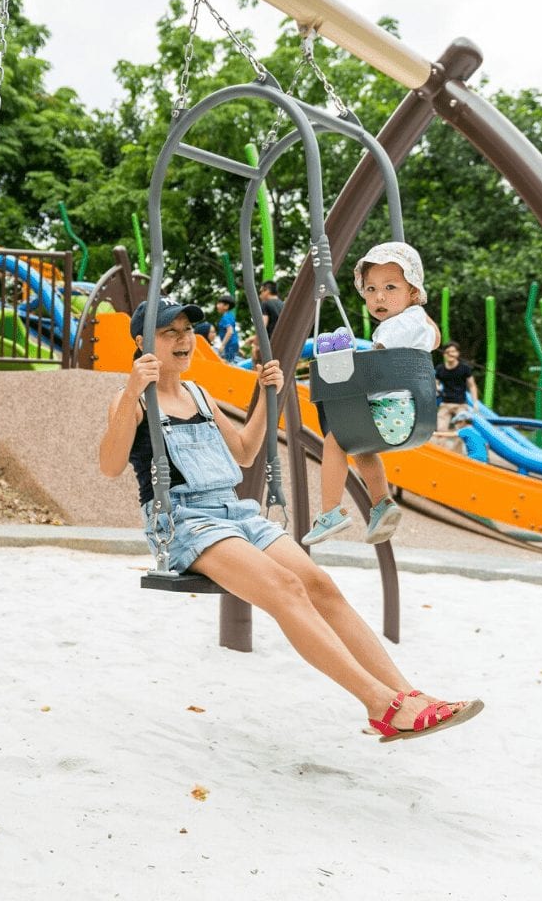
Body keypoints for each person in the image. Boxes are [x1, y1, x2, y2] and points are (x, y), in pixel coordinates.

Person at [98, 295, 481, 741]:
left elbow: (243, 452)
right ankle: (381, 706)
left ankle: (407, 694)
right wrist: (130, 392)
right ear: (144, 343)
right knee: (287, 588)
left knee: (321, 586)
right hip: (187, 522)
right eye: (171, 333)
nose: (185, 340)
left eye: (187, 330)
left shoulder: (198, 394)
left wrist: (267, 397)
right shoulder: (134, 401)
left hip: (235, 511)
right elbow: (109, 465)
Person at [302, 242, 440, 546]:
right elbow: (437, 337)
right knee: (362, 446)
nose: (379, 297)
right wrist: (419, 307)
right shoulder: (417, 323)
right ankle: (381, 504)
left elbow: (375, 364)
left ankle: (330, 512)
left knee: (337, 439)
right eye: (371, 289)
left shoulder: (391, 329)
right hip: (413, 415)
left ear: (412, 292)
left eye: (390, 287)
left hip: (390, 412)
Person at [434, 340, 479, 453]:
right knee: (440, 430)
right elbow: (435, 382)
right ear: (444, 354)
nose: (450, 354)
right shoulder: (440, 369)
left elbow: (472, 386)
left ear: (457, 354)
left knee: (461, 432)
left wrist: (475, 403)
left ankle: (456, 456)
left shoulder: (464, 369)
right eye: (448, 351)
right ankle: (441, 454)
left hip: (461, 405)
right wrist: (437, 387)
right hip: (445, 404)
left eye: (453, 351)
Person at [251, 280, 283, 363]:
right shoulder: (283, 304)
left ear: (267, 291)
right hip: (284, 343)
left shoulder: (266, 304)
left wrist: (255, 344)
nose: (260, 295)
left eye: (261, 292)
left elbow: (262, 326)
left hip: (270, 345)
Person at [213, 293, 240, 363]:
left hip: (229, 345)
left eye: (219, 304)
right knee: (230, 361)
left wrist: (222, 345)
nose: (217, 306)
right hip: (232, 344)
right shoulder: (230, 316)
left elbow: (230, 331)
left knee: (227, 363)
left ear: (226, 306)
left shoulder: (226, 317)